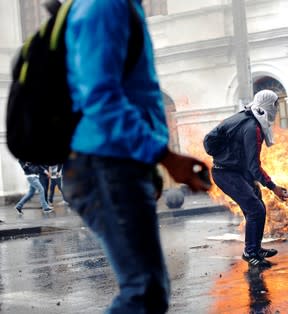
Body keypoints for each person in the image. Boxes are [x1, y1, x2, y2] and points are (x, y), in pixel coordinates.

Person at [61, 1, 210, 313]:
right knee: (143, 293)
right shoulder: (105, 6)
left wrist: (150, 166)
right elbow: (100, 98)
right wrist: (164, 156)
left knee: (149, 291)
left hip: (118, 163)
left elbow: (131, 97)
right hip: (104, 164)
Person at [207, 89, 288, 268]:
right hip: (225, 173)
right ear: (269, 105)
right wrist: (273, 186)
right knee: (255, 210)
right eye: (275, 105)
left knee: (257, 205)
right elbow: (254, 166)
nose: (276, 109)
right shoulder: (253, 128)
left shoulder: (249, 117)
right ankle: (250, 252)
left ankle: (256, 248)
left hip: (236, 170)